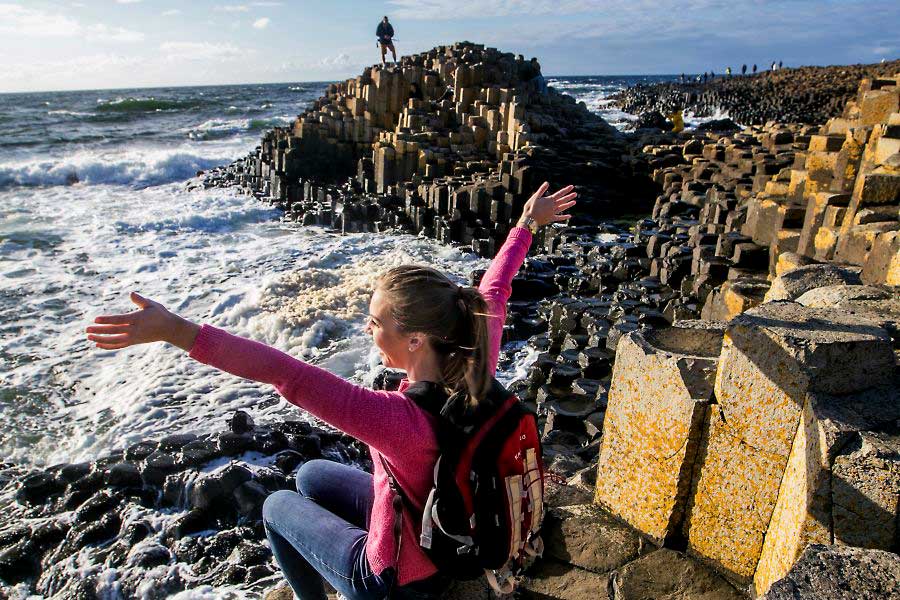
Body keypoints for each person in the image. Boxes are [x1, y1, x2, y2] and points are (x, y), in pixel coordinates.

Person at [84, 183, 578, 600]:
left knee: (277, 506)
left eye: (374, 322)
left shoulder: (394, 418)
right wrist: (525, 226)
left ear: (414, 339)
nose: (368, 330)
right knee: (311, 474)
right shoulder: (475, 366)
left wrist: (178, 331)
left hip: (398, 576)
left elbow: (286, 373)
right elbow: (493, 291)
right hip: (441, 520)